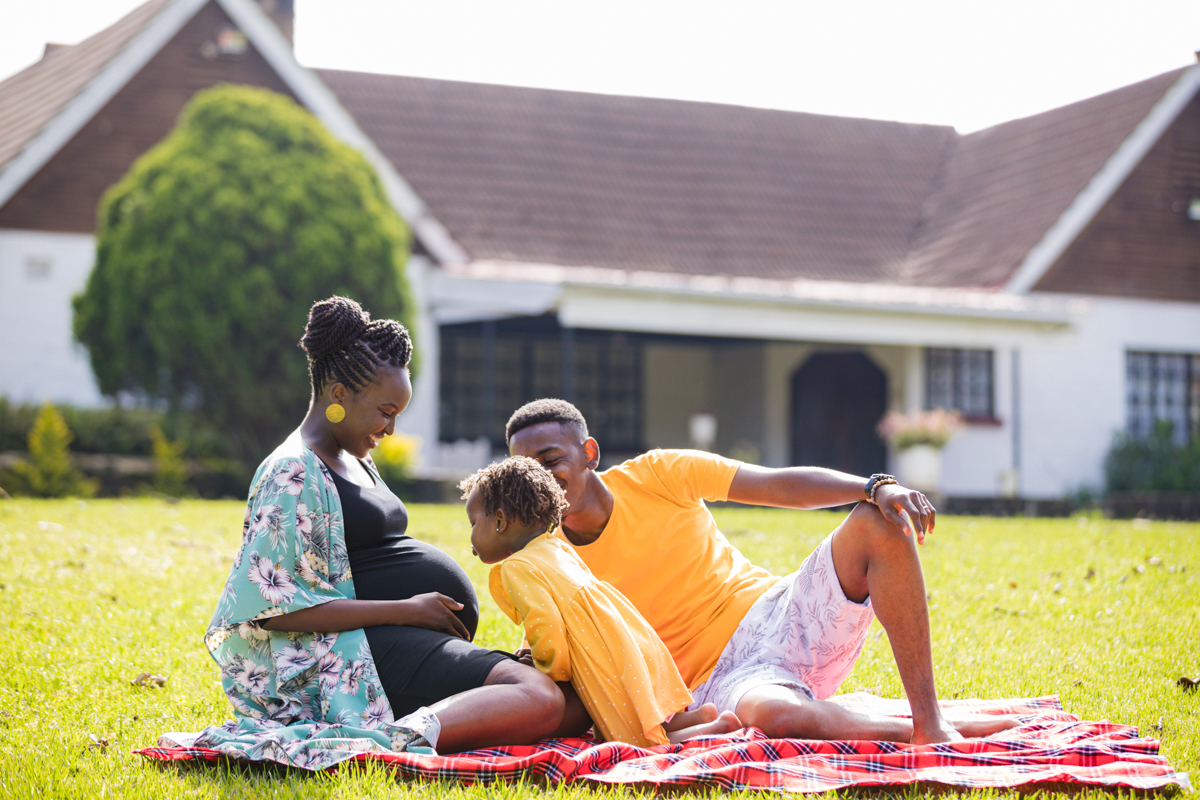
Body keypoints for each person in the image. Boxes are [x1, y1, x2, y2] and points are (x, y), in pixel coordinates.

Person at [506, 398, 1021, 745]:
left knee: (876, 522)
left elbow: (778, 486)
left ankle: (930, 719)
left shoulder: (658, 474)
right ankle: (904, 727)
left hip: (779, 615)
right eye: (526, 471)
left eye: (551, 460)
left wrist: (875, 485)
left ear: (588, 453)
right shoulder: (547, 558)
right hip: (714, 685)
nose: (541, 479)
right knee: (776, 717)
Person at [200, 297, 564, 769]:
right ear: (337, 396)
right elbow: (272, 610)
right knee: (541, 699)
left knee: (563, 697)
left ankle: (426, 719)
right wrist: (407, 610)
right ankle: (395, 740)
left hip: (389, 642)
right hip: (342, 659)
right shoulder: (291, 472)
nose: (390, 428)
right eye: (385, 411)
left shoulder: (355, 456)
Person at [460, 456, 741, 747]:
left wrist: (547, 673)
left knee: (629, 739)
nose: (470, 538)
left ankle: (717, 727)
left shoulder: (516, 567)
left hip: (600, 654)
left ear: (500, 521)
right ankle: (696, 718)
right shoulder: (554, 545)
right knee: (641, 716)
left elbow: (546, 623)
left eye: (473, 523)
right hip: (624, 636)